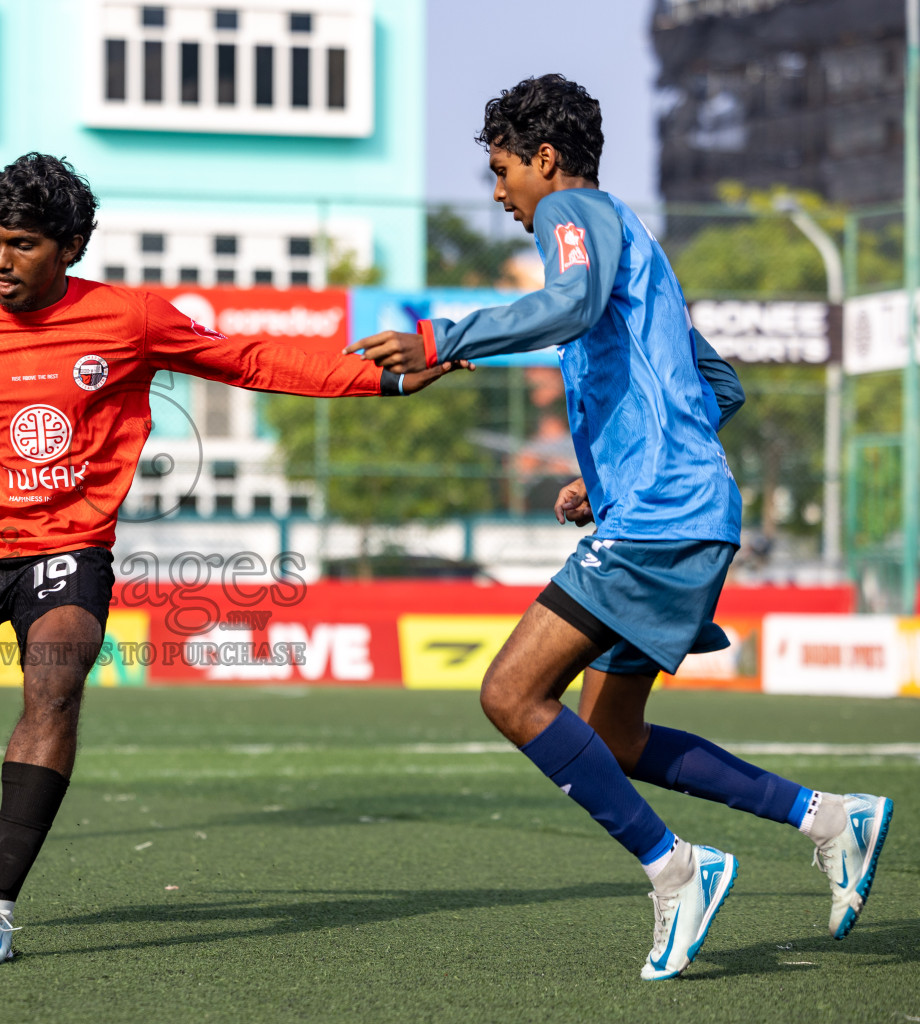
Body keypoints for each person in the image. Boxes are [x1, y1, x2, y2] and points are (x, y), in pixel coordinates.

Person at [0, 152, 466, 969]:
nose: (1, 262)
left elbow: (248, 359)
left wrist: (379, 382)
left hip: (67, 548)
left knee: (56, 692)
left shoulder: (131, 319)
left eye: (23, 244)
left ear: (70, 246)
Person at [350, 75, 893, 980]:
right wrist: (617, 475)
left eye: (501, 170)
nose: (499, 194)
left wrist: (446, 338)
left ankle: (677, 868)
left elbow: (568, 306)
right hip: (672, 511)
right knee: (614, 737)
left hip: (661, 521)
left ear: (546, 159)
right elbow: (719, 386)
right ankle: (832, 819)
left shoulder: (576, 213)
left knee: (510, 694)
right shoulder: (637, 247)